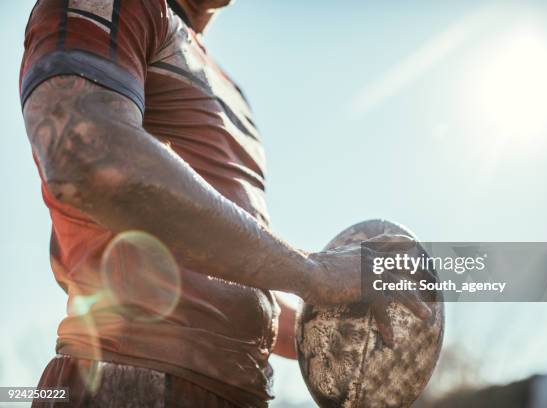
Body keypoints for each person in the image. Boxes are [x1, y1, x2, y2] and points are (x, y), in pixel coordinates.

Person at [20, 0, 432, 406]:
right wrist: (314, 273)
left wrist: (328, 322)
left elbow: (229, 286)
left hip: (236, 393)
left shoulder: (229, 88)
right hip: (125, 376)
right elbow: (87, 157)